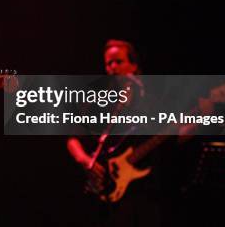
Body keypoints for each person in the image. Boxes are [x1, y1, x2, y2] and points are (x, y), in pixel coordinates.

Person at [66, 39, 162, 227]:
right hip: (108, 187)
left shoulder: (150, 99)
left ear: (133, 66)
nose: (113, 67)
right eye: (108, 63)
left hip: (145, 189)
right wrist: (85, 160)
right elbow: (73, 136)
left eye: (119, 61)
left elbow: (174, 136)